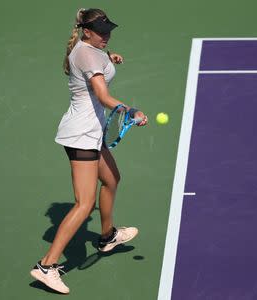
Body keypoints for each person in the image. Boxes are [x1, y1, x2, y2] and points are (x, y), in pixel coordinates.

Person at [30, 8, 148, 294]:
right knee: (84, 204)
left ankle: (107, 237)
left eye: (108, 31)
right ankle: (47, 266)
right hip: (81, 135)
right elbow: (103, 96)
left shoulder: (92, 50)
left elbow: (95, 61)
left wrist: (110, 58)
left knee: (111, 179)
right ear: (86, 31)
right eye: (101, 32)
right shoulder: (85, 54)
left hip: (93, 134)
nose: (106, 36)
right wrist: (129, 110)